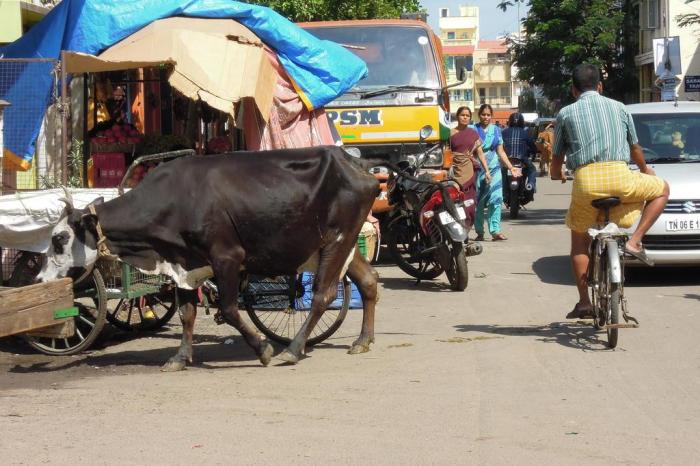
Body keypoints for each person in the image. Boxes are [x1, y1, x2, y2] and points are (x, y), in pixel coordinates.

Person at [551, 64, 669, 319]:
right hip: (621, 178)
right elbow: (635, 148)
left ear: (573, 90)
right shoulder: (619, 107)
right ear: (600, 86)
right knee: (662, 190)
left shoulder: (566, 113)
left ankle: (584, 303)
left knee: (579, 242)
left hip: (586, 183)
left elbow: (557, 155)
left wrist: (555, 173)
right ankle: (636, 239)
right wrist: (645, 170)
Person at [473, 104, 520, 241]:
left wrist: (511, 167)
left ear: (491, 116)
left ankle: (495, 230)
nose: (486, 117)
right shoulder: (473, 129)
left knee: (496, 199)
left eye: (488, 115)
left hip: (494, 169)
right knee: (479, 202)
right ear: (479, 115)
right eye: (483, 114)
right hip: (478, 169)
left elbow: (500, 151)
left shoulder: (496, 130)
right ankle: (479, 232)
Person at [450, 106, 491, 188]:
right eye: (462, 115)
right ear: (457, 116)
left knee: (470, 197)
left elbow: (480, 153)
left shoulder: (473, 134)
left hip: (470, 170)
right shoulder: (450, 133)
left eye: (467, 116)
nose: (465, 117)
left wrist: (487, 171)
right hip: (455, 170)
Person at [502, 112, 537, 190]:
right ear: (522, 122)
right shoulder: (526, 133)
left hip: (507, 160)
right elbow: (532, 146)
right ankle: (530, 184)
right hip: (522, 160)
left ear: (510, 121)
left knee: (501, 172)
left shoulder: (504, 132)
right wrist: (535, 151)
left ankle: (502, 189)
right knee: (532, 170)